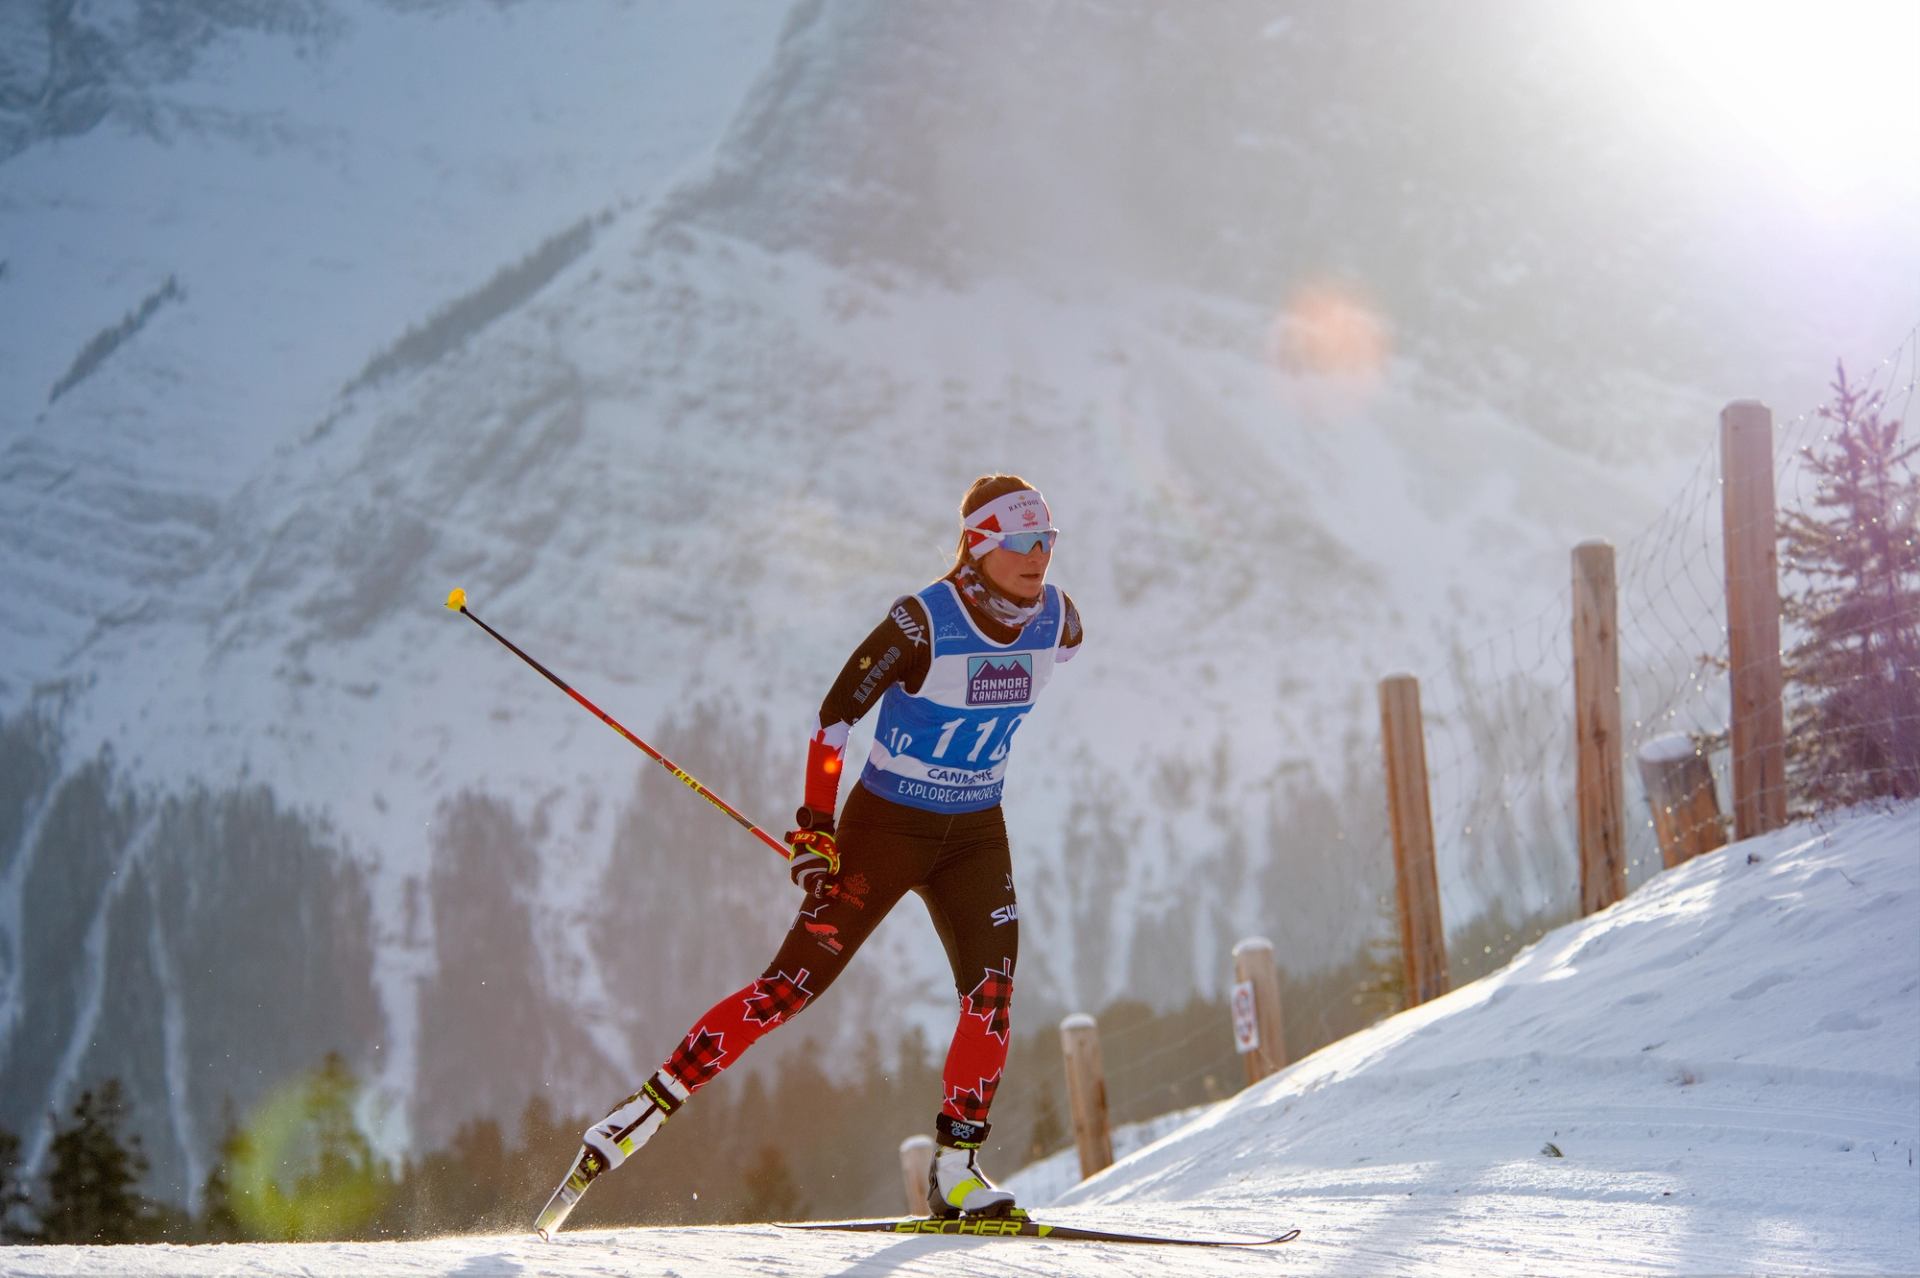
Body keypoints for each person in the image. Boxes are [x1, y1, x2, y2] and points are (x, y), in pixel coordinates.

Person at [535, 474, 1084, 1236]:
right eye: (1023, 541)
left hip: (975, 833)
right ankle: (641, 1112)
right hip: (886, 829)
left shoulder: (1059, 621)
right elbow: (836, 717)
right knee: (787, 990)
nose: (1040, 558)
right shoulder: (920, 623)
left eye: (1049, 541)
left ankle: (957, 1171)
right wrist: (815, 829)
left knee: (990, 998)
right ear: (981, 545)